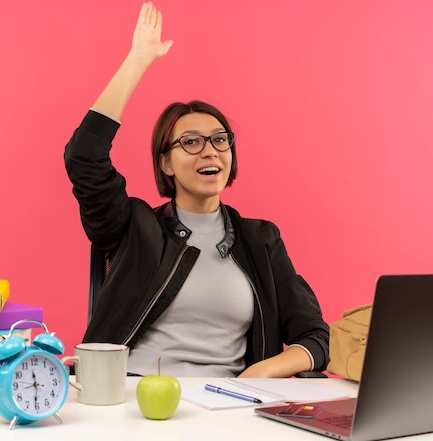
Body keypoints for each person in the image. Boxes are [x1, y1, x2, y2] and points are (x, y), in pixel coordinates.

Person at [64, 2, 329, 378]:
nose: (210, 150)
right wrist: (139, 59)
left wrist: (260, 373)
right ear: (166, 163)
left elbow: (315, 338)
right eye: (190, 142)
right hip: (131, 399)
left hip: (229, 405)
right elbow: (83, 156)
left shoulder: (261, 241)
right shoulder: (134, 228)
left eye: (220, 140)